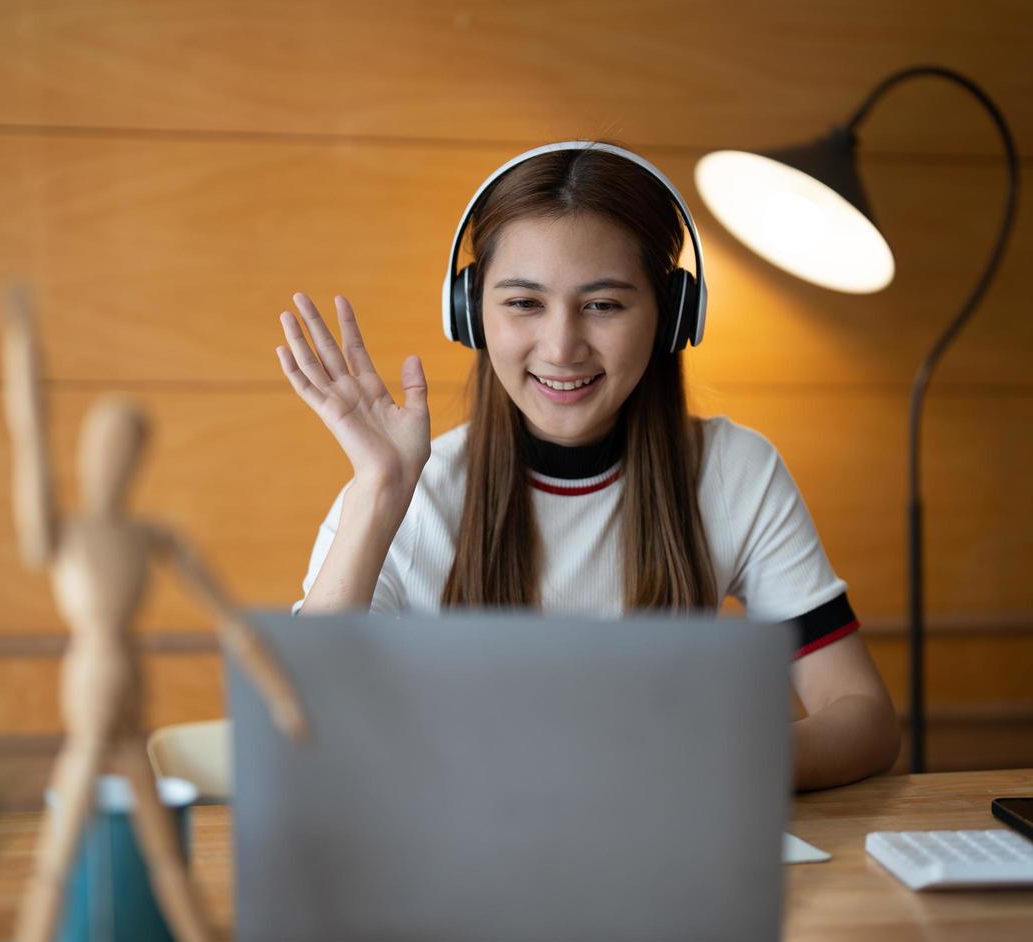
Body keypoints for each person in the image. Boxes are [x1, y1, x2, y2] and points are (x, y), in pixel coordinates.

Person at [273, 141, 899, 791]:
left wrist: (708, 766)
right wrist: (378, 493)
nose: (562, 346)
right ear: (470, 314)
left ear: (671, 318)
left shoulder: (732, 471)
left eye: (603, 305)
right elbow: (299, 731)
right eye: (524, 303)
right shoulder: (410, 491)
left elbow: (862, 716)